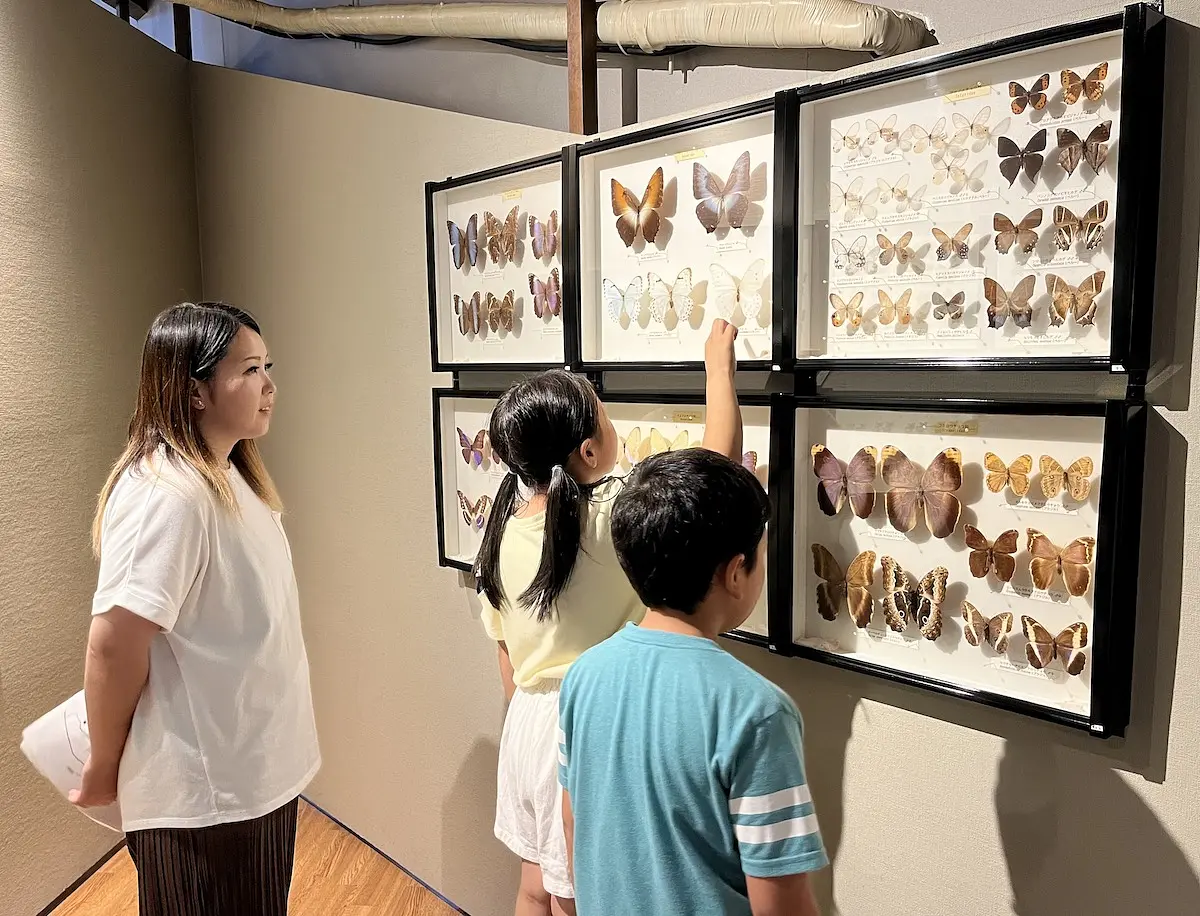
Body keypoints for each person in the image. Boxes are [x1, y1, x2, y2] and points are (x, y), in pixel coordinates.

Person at [477, 321, 743, 916]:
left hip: (526, 721)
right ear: (589, 450)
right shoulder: (608, 520)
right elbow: (712, 471)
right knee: (579, 894)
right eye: (602, 413)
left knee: (533, 887)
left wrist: (534, 715)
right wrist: (718, 371)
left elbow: (505, 652)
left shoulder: (501, 530)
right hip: (585, 724)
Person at [71, 302, 320, 915]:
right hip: (206, 801)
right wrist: (104, 764)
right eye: (250, 370)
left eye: (268, 367)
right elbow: (113, 644)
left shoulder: (231, 476)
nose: (270, 387)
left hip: (253, 775)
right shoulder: (169, 494)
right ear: (196, 390)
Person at [559, 448, 828, 916]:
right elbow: (781, 904)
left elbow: (573, 822)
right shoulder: (756, 711)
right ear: (734, 574)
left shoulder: (584, 675)